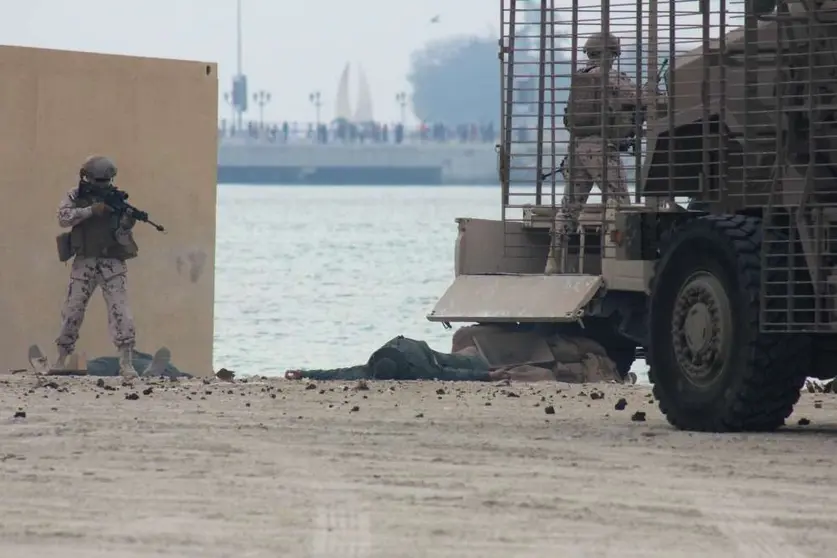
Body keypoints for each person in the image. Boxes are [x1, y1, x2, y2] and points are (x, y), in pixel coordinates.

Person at [545, 31, 662, 274]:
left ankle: (553, 261)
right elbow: (643, 99)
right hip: (601, 151)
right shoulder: (611, 77)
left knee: (569, 209)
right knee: (621, 204)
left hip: (577, 150)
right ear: (611, 53)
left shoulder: (581, 79)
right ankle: (625, 267)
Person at [53, 155, 140, 378]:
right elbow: (63, 218)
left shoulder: (117, 199)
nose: (104, 185)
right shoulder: (75, 196)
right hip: (85, 262)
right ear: (88, 178)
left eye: (107, 180)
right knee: (72, 312)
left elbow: (121, 236)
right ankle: (61, 358)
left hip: (112, 263)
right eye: (100, 180)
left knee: (122, 314)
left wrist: (126, 224)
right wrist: (91, 210)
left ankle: (127, 363)